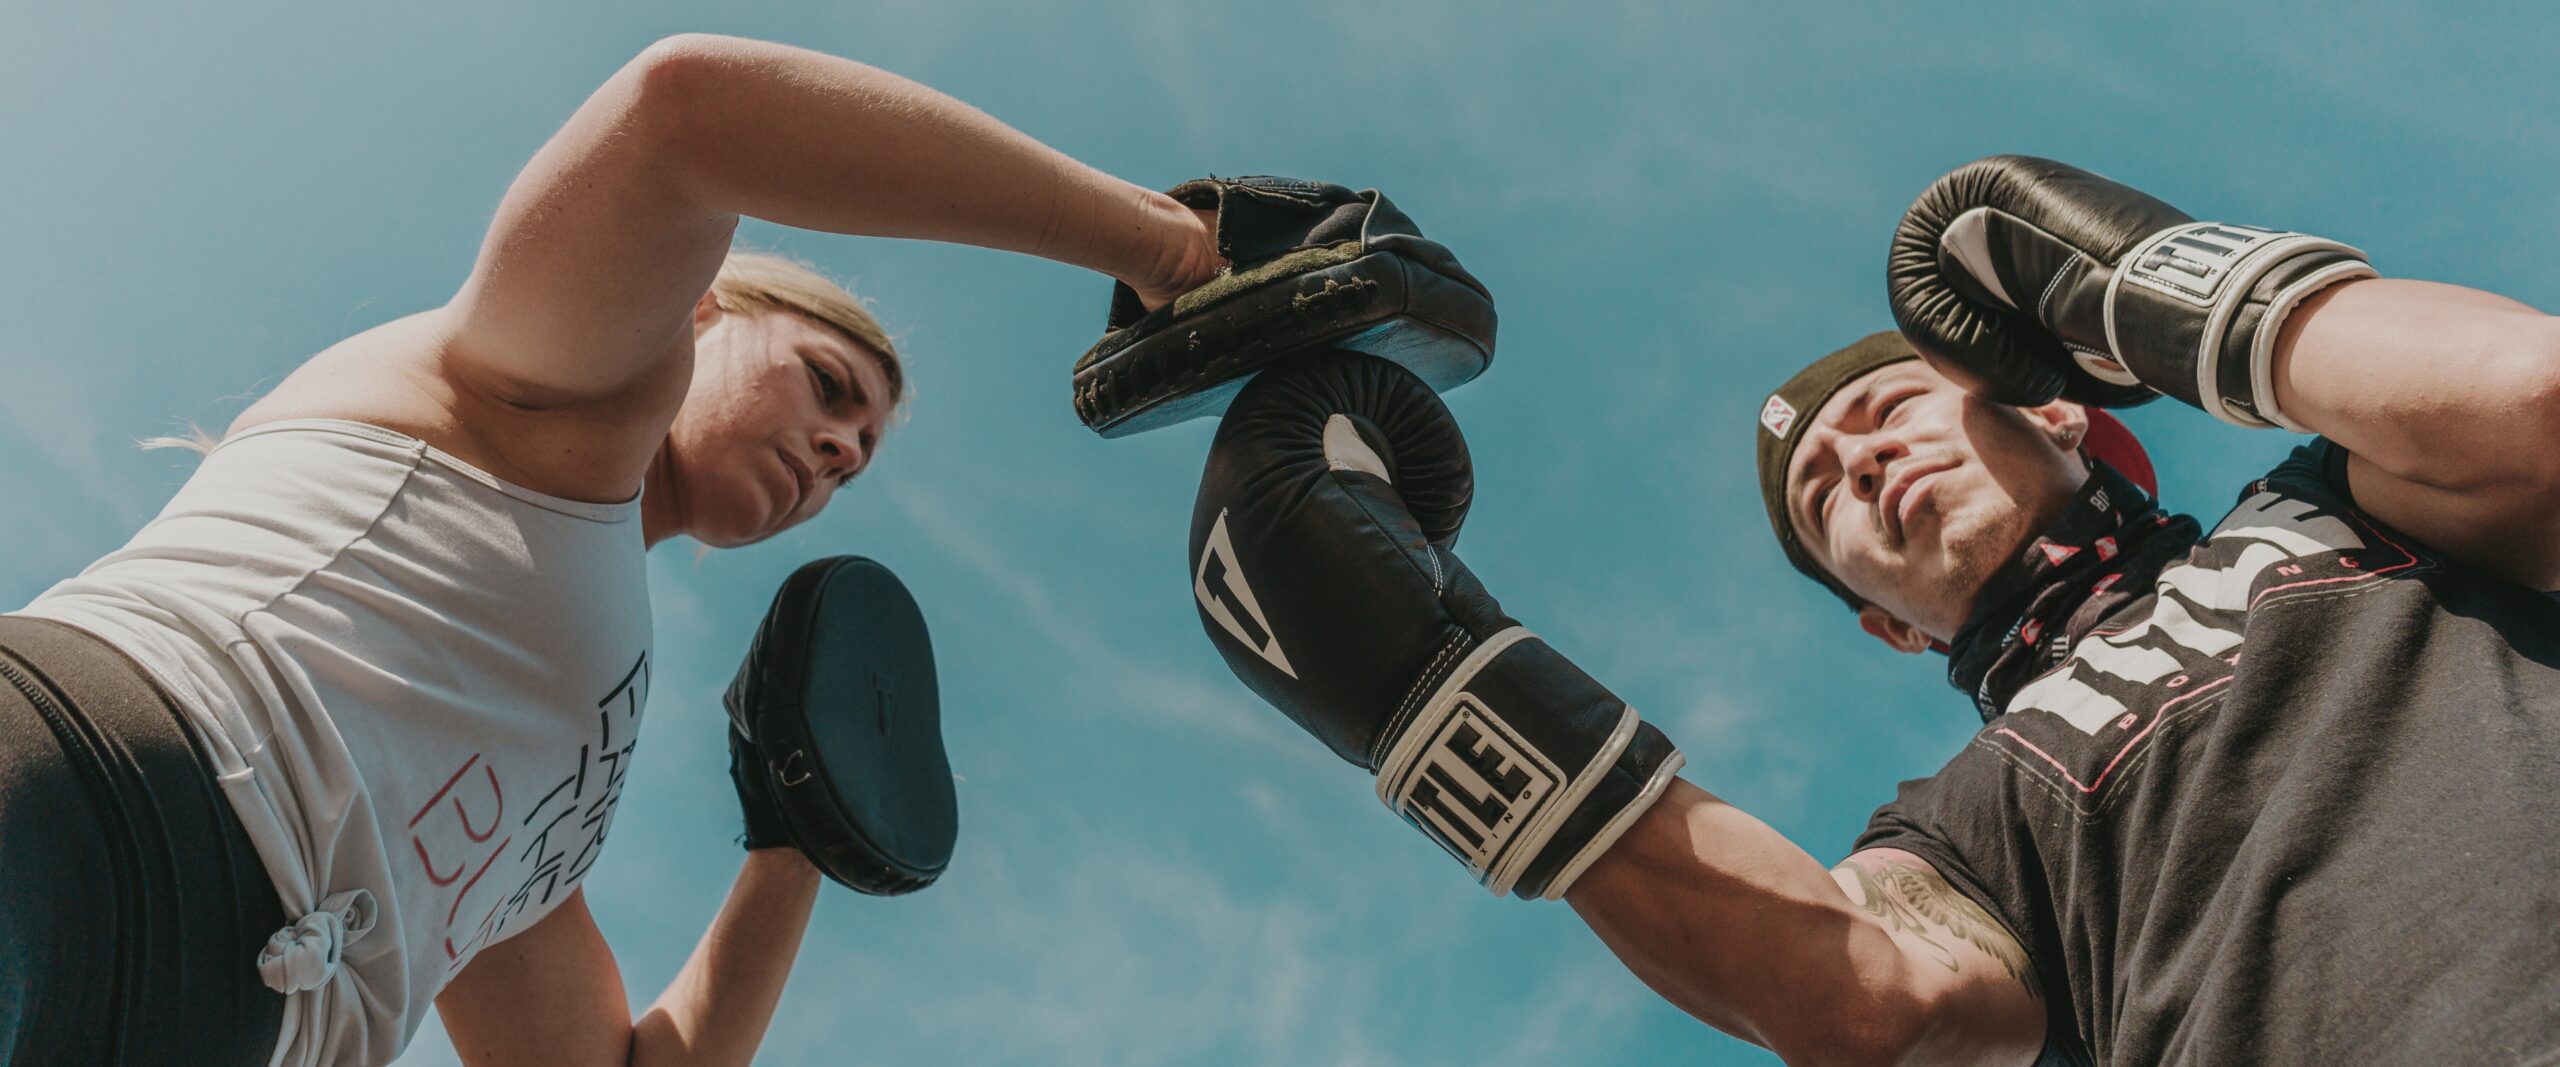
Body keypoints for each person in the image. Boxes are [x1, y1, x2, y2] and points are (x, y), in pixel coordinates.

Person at [1, 33, 1218, 1067]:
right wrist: (1166, 249)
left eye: (857, 456)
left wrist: (801, 829)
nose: (839, 448)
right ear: (702, 311)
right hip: (85, 794)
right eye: (828, 385)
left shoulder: (583, 744)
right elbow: (689, 109)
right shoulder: (552, 396)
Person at [1183, 156, 2557, 1065]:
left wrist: (2139, 285)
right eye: (1829, 493)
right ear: (1884, 625)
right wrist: (1429, 690)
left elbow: (2527, 403)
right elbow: (1865, 999)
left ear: (2060, 410)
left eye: (1893, 410)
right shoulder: (1960, 817)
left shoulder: (2337, 495)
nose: (1865, 460)